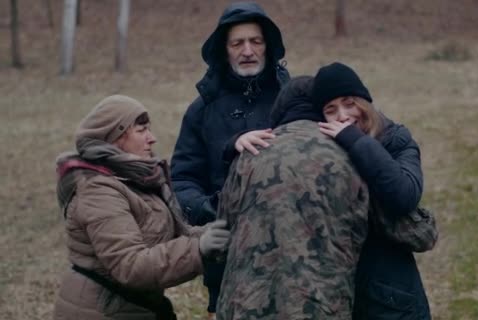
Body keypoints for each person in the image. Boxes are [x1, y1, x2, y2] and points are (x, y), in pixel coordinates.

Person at [53, 95, 230, 320]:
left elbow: (168, 238)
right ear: (114, 137)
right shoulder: (99, 191)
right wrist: (198, 249)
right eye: (141, 130)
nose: (152, 138)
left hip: (128, 308)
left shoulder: (133, 179)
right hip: (100, 312)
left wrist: (215, 234)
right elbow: (129, 265)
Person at [170, 2, 289, 314]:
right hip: (227, 261)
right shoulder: (202, 110)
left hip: (291, 254)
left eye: (256, 41)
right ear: (225, 50)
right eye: (237, 43)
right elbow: (181, 182)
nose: (247, 50)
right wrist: (215, 211)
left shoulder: (293, 99)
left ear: (269, 47)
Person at [216, 76, 370, 319]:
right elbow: (411, 231)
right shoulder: (350, 153)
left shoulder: (249, 152)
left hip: (247, 305)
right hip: (320, 306)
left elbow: (220, 239)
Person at [312, 62, 432, 319]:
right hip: (334, 293)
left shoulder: (396, 140)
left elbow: (404, 195)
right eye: (331, 110)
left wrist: (356, 142)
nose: (343, 115)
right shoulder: (320, 153)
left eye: (349, 102)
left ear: (364, 102)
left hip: (390, 295)